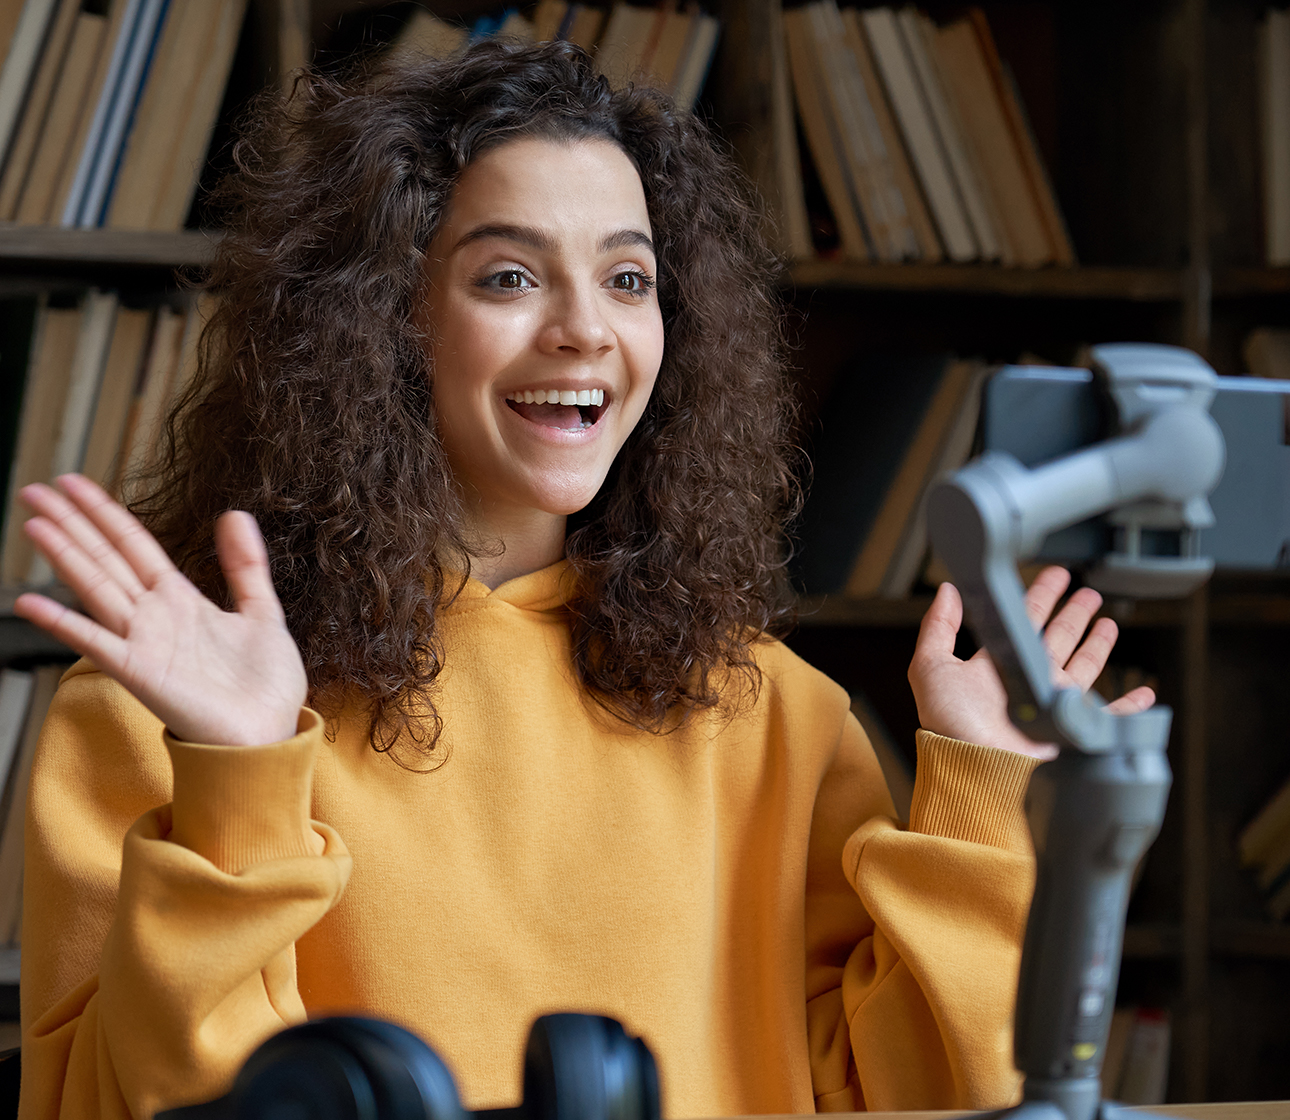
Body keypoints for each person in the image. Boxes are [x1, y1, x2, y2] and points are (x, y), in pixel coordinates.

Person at [11, 38, 1152, 1120]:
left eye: (627, 278)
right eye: (509, 276)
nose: (584, 330)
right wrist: (241, 781)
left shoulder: (778, 714)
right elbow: (140, 1102)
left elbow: (919, 1095)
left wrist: (975, 799)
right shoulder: (158, 711)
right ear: (384, 317)